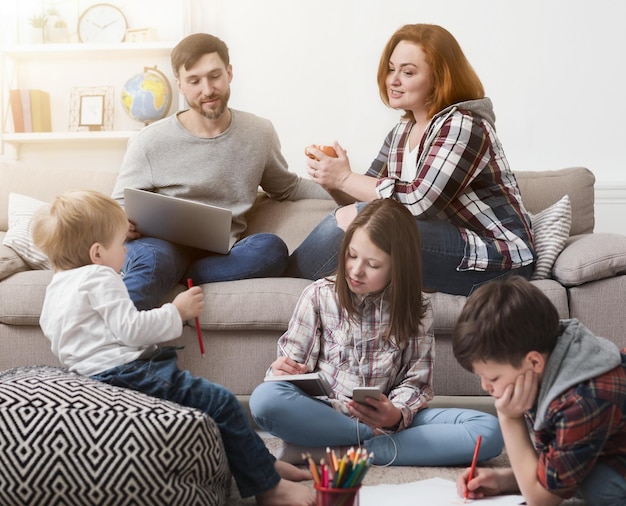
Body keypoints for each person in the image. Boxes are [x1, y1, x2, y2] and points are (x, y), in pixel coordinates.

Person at [31, 189, 316, 506]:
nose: (126, 252)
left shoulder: (55, 288)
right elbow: (132, 330)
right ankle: (268, 488)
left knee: (211, 402)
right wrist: (177, 312)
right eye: (120, 244)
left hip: (89, 380)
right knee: (221, 402)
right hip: (130, 374)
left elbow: (59, 335)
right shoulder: (99, 276)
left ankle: (263, 464)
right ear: (97, 253)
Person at [285, 23, 535, 296]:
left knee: (362, 223)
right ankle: (288, 277)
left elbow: (419, 201)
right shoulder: (401, 133)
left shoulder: (464, 125)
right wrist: (333, 180)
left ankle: (286, 276)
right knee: (362, 219)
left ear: (439, 79)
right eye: (391, 69)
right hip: (448, 247)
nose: (393, 80)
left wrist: (345, 178)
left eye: (408, 72)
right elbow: (368, 202)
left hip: (498, 258)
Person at [250, 198, 503, 467]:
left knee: (489, 431)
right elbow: (285, 377)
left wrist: (394, 415)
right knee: (265, 400)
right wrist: (282, 372)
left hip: (390, 421)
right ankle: (365, 440)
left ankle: (341, 453)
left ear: (397, 267)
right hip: (326, 416)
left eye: (372, 264)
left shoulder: (417, 308)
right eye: (352, 255)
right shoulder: (317, 296)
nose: (356, 270)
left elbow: (417, 383)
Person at [112, 33, 329, 310]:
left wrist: (342, 187)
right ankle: (116, 340)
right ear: (180, 85)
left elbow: (287, 187)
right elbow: (117, 205)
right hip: (161, 248)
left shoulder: (258, 132)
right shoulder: (150, 141)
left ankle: (184, 275)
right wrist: (122, 221)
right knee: (156, 260)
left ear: (229, 73)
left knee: (270, 249)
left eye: (215, 76)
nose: (207, 90)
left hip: (222, 255)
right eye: (194, 81)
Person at [452, 276, 626, 505]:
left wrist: (509, 418)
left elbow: (542, 500)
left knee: (599, 487)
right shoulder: (551, 359)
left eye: (492, 377)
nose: (485, 387)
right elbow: (558, 459)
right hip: (610, 449)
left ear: (533, 362)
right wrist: (504, 480)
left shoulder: (580, 401)